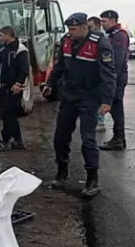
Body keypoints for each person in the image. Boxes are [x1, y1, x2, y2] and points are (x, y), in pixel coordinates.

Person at [42, 13, 116, 197]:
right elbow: (60, 66)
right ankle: (62, 171)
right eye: (69, 29)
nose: (70, 32)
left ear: (85, 27)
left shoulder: (99, 43)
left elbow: (108, 73)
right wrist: (50, 84)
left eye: (74, 29)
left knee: (87, 139)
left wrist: (107, 100)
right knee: (60, 136)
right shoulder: (67, 41)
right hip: (69, 95)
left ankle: (92, 179)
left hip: (90, 97)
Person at [0, 26, 29, 151]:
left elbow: (24, 69)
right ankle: (18, 141)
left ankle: (6, 141)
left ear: (8, 35)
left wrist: (18, 83)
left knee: (7, 115)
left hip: (13, 87)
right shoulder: (3, 51)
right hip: (3, 87)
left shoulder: (20, 50)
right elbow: (0, 69)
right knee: (10, 115)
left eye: (1, 35)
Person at [99, 10, 131, 151]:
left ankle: (118, 139)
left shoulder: (120, 36)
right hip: (114, 76)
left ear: (113, 21)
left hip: (117, 76)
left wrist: (110, 80)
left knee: (116, 107)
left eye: (104, 21)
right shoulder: (112, 35)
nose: (102, 24)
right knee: (115, 107)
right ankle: (118, 138)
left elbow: (116, 61)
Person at [87, 16, 107, 133]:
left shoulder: (101, 38)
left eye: (91, 26)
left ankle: (100, 122)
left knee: (99, 99)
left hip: (100, 74)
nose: (89, 29)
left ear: (97, 26)